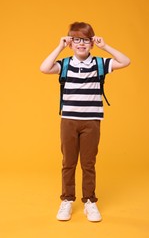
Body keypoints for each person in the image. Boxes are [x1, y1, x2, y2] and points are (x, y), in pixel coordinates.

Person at [40, 22, 130, 222]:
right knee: (68, 163)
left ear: (92, 43)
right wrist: (60, 47)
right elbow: (44, 68)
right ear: (71, 43)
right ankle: (67, 200)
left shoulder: (100, 63)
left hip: (92, 121)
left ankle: (90, 201)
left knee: (88, 163)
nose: (82, 44)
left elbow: (125, 61)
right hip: (69, 121)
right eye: (77, 39)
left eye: (86, 40)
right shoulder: (64, 64)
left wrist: (105, 46)